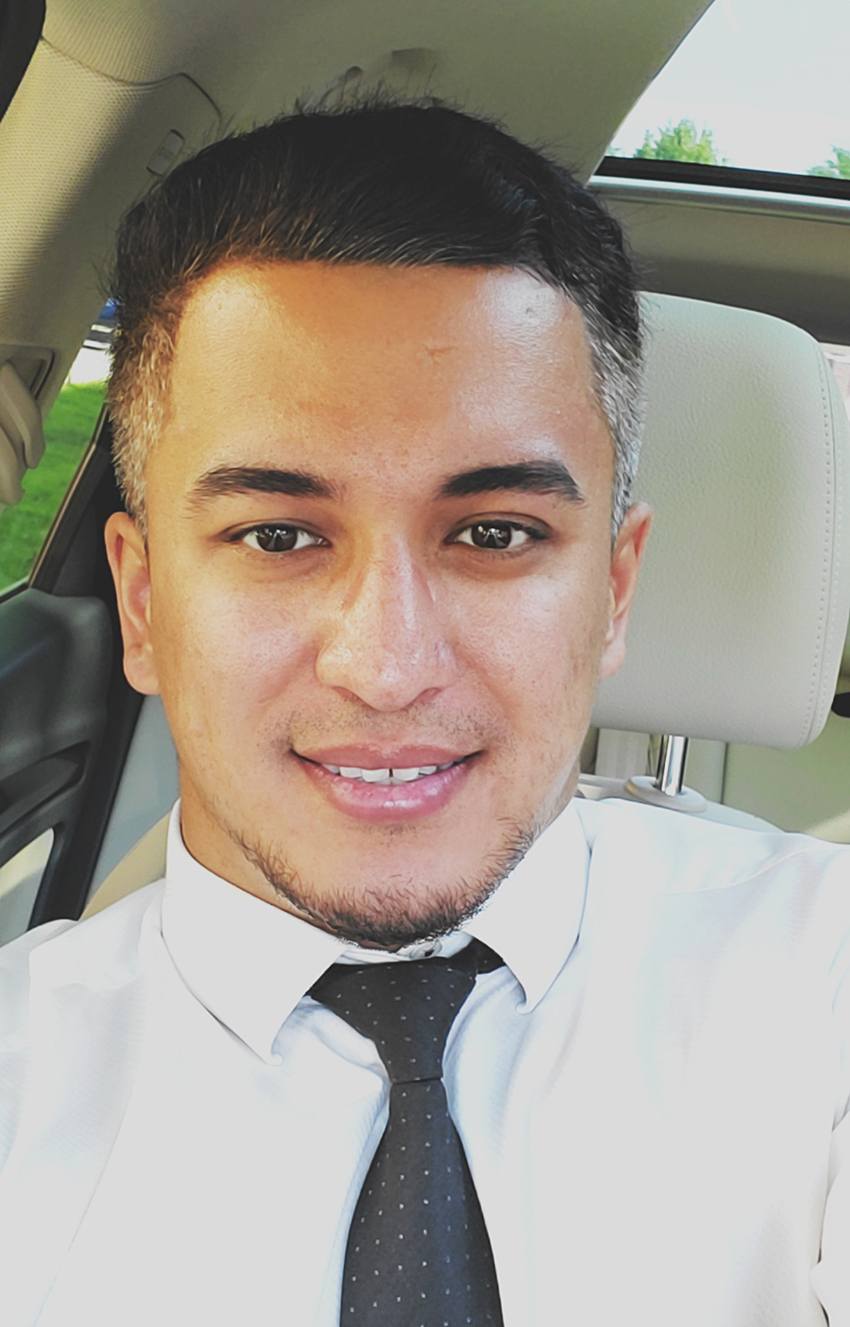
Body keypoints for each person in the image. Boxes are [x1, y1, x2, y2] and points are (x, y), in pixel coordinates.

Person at [1, 93, 848, 1327]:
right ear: (141, 602)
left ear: (613, 591)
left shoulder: (823, 980)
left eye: (494, 533)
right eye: (278, 535)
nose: (388, 666)